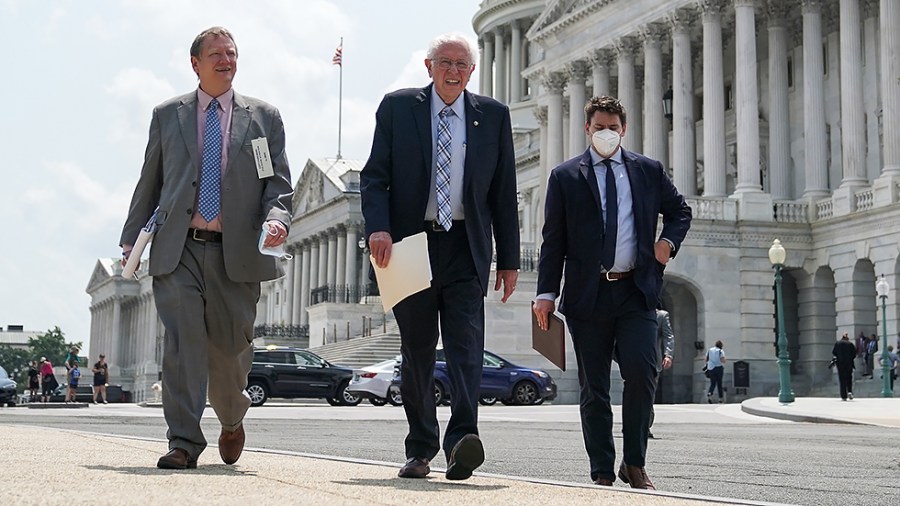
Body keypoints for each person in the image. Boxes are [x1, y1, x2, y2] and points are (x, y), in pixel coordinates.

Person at [119, 26, 293, 470]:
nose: (225, 60)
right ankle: (183, 441)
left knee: (230, 353)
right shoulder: (167, 115)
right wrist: (131, 236)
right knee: (183, 344)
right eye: (215, 54)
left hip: (237, 254)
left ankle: (232, 418)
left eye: (231, 54)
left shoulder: (263, 117)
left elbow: (277, 184)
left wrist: (277, 218)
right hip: (179, 249)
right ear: (195, 63)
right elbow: (150, 179)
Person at [360, 33, 519, 481]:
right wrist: (378, 227)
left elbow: (504, 194)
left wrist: (509, 258)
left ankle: (462, 441)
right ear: (428, 67)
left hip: (466, 245)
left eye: (462, 65)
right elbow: (375, 178)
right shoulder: (398, 107)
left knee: (467, 347)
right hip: (411, 245)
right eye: (445, 62)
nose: (453, 71)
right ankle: (421, 447)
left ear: (472, 72)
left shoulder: (493, 116)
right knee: (417, 351)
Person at [533, 95, 692, 489]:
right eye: (599, 127)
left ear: (624, 129)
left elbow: (680, 211)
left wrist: (667, 243)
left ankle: (634, 462)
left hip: (635, 291)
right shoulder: (565, 176)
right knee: (595, 388)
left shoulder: (647, 171)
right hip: (589, 296)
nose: (607, 133)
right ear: (587, 128)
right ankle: (603, 469)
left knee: (643, 372)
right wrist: (545, 293)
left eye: (613, 127)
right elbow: (553, 241)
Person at [647, 308, 674, 439]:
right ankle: (632, 425)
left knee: (648, 396)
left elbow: (668, 336)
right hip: (632, 360)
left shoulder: (661, 316)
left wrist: (668, 355)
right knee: (632, 394)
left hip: (653, 362)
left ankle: (644, 426)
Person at [832, 332, 856, 400]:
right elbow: (854, 354)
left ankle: (843, 395)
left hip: (840, 364)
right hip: (849, 364)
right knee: (849, 378)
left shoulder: (837, 343)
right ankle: (849, 391)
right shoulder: (850, 344)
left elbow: (834, 353)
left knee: (842, 379)